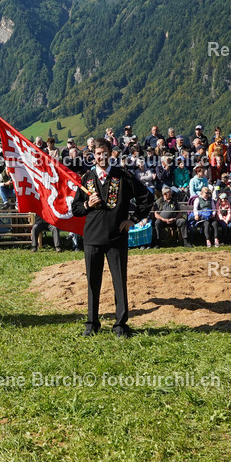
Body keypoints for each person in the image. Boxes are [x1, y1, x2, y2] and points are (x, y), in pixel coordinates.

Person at [71, 138, 154, 338]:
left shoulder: (123, 176)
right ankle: (92, 323)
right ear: (93, 155)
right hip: (92, 238)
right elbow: (75, 210)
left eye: (104, 152)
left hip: (117, 238)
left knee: (119, 282)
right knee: (93, 283)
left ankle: (120, 325)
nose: (101, 156)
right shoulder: (86, 179)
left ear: (111, 153)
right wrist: (87, 205)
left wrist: (133, 220)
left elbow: (147, 198)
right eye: (97, 153)